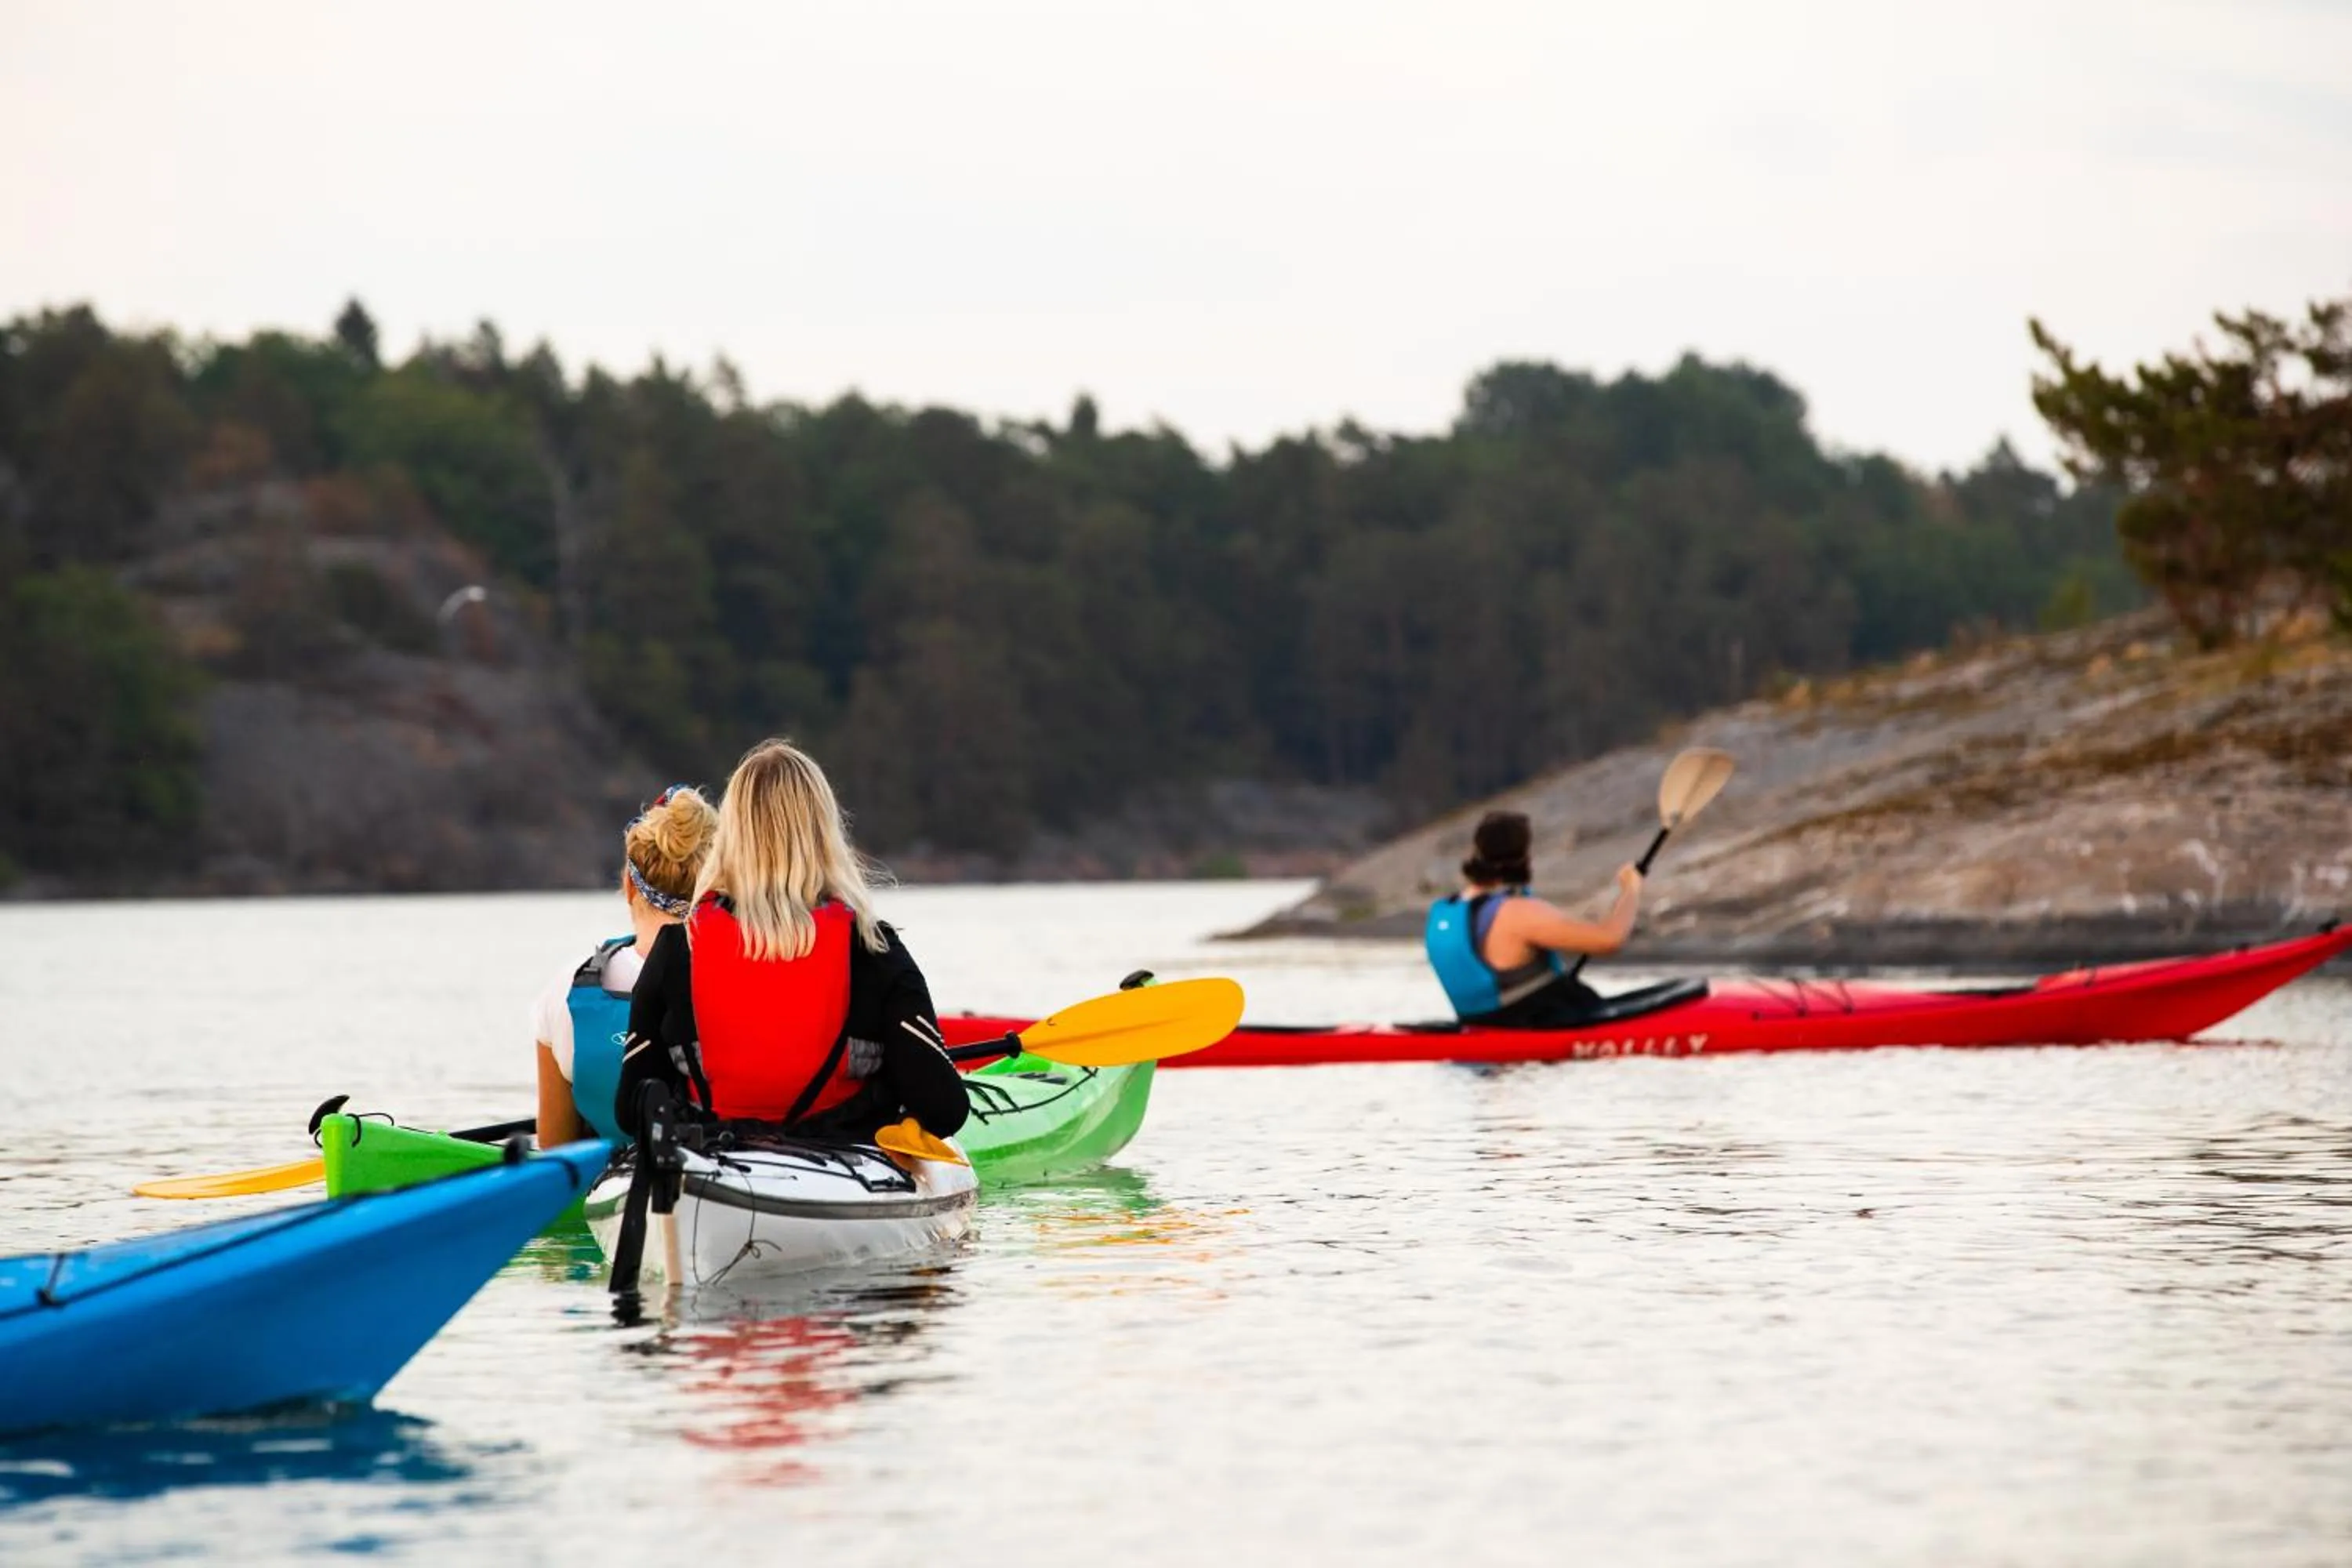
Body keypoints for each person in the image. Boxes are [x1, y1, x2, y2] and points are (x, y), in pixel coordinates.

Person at [614, 739, 967, 1143]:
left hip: (715, 1161)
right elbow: (945, 1110)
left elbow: (630, 1110)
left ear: (730, 837)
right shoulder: (872, 948)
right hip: (842, 1165)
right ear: (825, 835)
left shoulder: (678, 949)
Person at [530, 785, 718, 1145]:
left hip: (614, 1188)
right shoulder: (749, 978)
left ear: (630, 887)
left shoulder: (566, 990)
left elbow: (556, 1149)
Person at [1424, 810, 1642, 1027]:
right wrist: (1631, 890)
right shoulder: (1517, 912)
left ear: (1475, 851)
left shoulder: (1445, 910)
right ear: (1524, 856)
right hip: (1535, 1026)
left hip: (1478, 1023)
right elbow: (1611, 939)